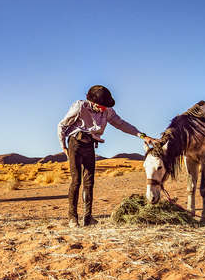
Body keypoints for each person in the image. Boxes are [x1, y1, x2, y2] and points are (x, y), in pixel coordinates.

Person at [57, 85, 157, 227]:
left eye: (105, 106)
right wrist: (63, 147)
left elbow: (122, 124)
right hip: (75, 143)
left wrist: (142, 136)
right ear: (92, 101)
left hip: (90, 145)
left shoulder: (107, 111)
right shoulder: (80, 107)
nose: (104, 108)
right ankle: (72, 218)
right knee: (76, 180)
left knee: (89, 182)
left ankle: (87, 218)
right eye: (101, 105)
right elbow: (62, 125)